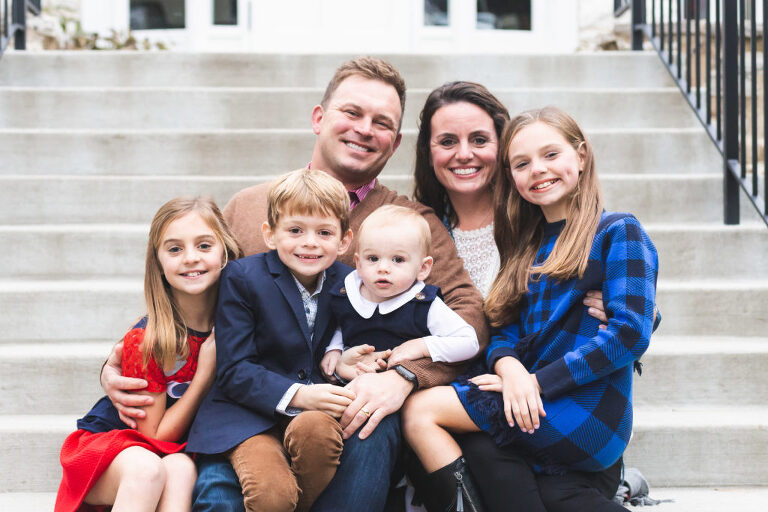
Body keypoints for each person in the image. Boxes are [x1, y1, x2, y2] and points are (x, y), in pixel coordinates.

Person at [100, 57, 487, 512]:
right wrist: (121, 359)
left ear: (396, 142)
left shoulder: (409, 224)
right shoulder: (251, 207)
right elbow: (193, 288)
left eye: (382, 122)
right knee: (222, 490)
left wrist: (405, 375)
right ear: (319, 117)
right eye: (352, 112)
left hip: (347, 405)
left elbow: (468, 318)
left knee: (368, 420)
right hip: (250, 401)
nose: (365, 129)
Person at [402, 106, 659, 512]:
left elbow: (630, 332)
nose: (537, 170)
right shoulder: (527, 246)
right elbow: (504, 329)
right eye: (522, 163)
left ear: (582, 155)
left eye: (551, 155)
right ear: (512, 178)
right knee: (546, 491)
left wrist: (537, 383)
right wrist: (511, 369)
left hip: (588, 409)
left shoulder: (617, 231)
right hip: (536, 398)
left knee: (421, 409)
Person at [55, 197, 242, 512]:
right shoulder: (148, 338)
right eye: (174, 249)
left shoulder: (236, 322)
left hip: (172, 453)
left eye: (204, 246)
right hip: (116, 448)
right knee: (148, 469)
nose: (190, 258)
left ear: (225, 252)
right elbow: (154, 435)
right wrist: (204, 374)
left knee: (181, 468)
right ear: (158, 262)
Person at [186, 169, 357, 512]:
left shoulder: (350, 281)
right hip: (247, 415)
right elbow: (234, 369)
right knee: (272, 495)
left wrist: (346, 356)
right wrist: (301, 394)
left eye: (324, 232)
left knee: (318, 434)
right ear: (270, 234)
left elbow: (364, 331)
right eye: (295, 230)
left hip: (313, 417)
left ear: (344, 241)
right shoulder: (243, 277)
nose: (309, 242)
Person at [320, 205, 479, 382]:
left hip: (406, 392)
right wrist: (334, 349)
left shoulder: (423, 305)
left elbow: (469, 342)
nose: (383, 268)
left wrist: (423, 346)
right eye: (373, 258)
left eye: (398, 260)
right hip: (354, 384)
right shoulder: (346, 295)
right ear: (358, 264)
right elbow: (342, 326)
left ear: (423, 268)